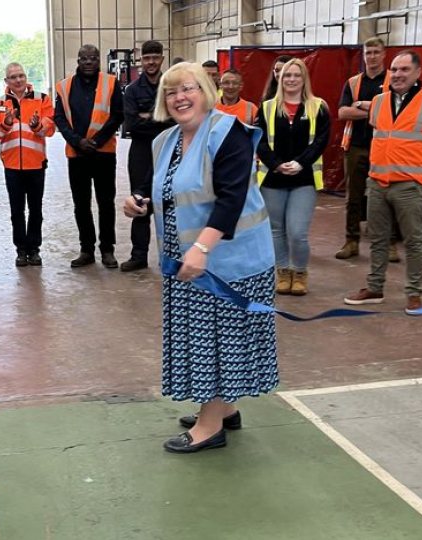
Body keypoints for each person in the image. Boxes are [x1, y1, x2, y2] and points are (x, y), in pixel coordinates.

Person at [122, 62, 277, 453]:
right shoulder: (167, 140)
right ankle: (224, 409)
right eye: (171, 93)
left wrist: (202, 248)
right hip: (187, 264)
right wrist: (140, 201)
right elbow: (159, 187)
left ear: (205, 91)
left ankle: (210, 426)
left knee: (217, 342)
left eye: (187, 89)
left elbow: (231, 199)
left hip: (229, 264)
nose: (179, 98)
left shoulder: (229, 133)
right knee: (208, 340)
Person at [343, 50, 422, 314]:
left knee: (414, 241)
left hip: (410, 186)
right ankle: (375, 288)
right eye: (394, 69)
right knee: (378, 239)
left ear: (418, 73)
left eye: (404, 69)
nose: (398, 74)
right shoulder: (379, 102)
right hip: (378, 182)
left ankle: (414, 294)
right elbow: (380, 139)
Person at [256, 58, 330, 296]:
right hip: (273, 179)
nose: (291, 79)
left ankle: (299, 272)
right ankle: (283, 272)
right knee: (276, 231)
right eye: (287, 75)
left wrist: (300, 163)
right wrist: (276, 165)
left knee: (297, 232)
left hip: (303, 179)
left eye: (296, 75)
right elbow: (259, 141)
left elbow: (320, 141)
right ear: (280, 78)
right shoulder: (267, 107)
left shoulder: (318, 107)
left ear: (304, 79)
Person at [54, 44, 124, 268]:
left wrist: (97, 141)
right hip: (77, 155)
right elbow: (59, 118)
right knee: (81, 204)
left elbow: (117, 115)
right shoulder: (65, 87)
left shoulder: (111, 82)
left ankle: (107, 250)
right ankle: (86, 249)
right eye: (84, 58)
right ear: (78, 60)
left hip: (103, 153)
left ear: (98, 61)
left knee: (106, 203)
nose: (89, 62)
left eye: (93, 58)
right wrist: (77, 141)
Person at [335, 37, 400, 263]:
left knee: (386, 196)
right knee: (353, 197)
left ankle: (389, 243)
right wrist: (376, 109)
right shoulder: (353, 83)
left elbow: (396, 109)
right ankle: (351, 240)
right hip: (355, 147)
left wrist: (361, 104)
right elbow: (342, 112)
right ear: (363, 55)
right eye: (368, 52)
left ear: (384, 54)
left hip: (384, 147)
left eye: (375, 52)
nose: (371, 56)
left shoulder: (395, 80)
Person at [0, 62, 54, 266]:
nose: (18, 80)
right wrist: (6, 123)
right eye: (13, 77)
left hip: (36, 165)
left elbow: (49, 129)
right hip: (12, 167)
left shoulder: (41, 99)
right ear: (6, 81)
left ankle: (34, 249)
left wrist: (37, 126)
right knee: (16, 211)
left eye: (21, 76)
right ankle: (21, 250)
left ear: (26, 77)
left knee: (36, 210)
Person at [120, 40, 173, 272]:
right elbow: (131, 124)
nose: (150, 62)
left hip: (171, 150)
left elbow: (177, 122)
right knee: (140, 201)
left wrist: (148, 117)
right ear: (140, 61)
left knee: (172, 201)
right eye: (146, 58)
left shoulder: (172, 87)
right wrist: (161, 119)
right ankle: (139, 255)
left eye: (155, 57)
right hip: (142, 152)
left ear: (162, 58)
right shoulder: (132, 90)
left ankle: (172, 256)